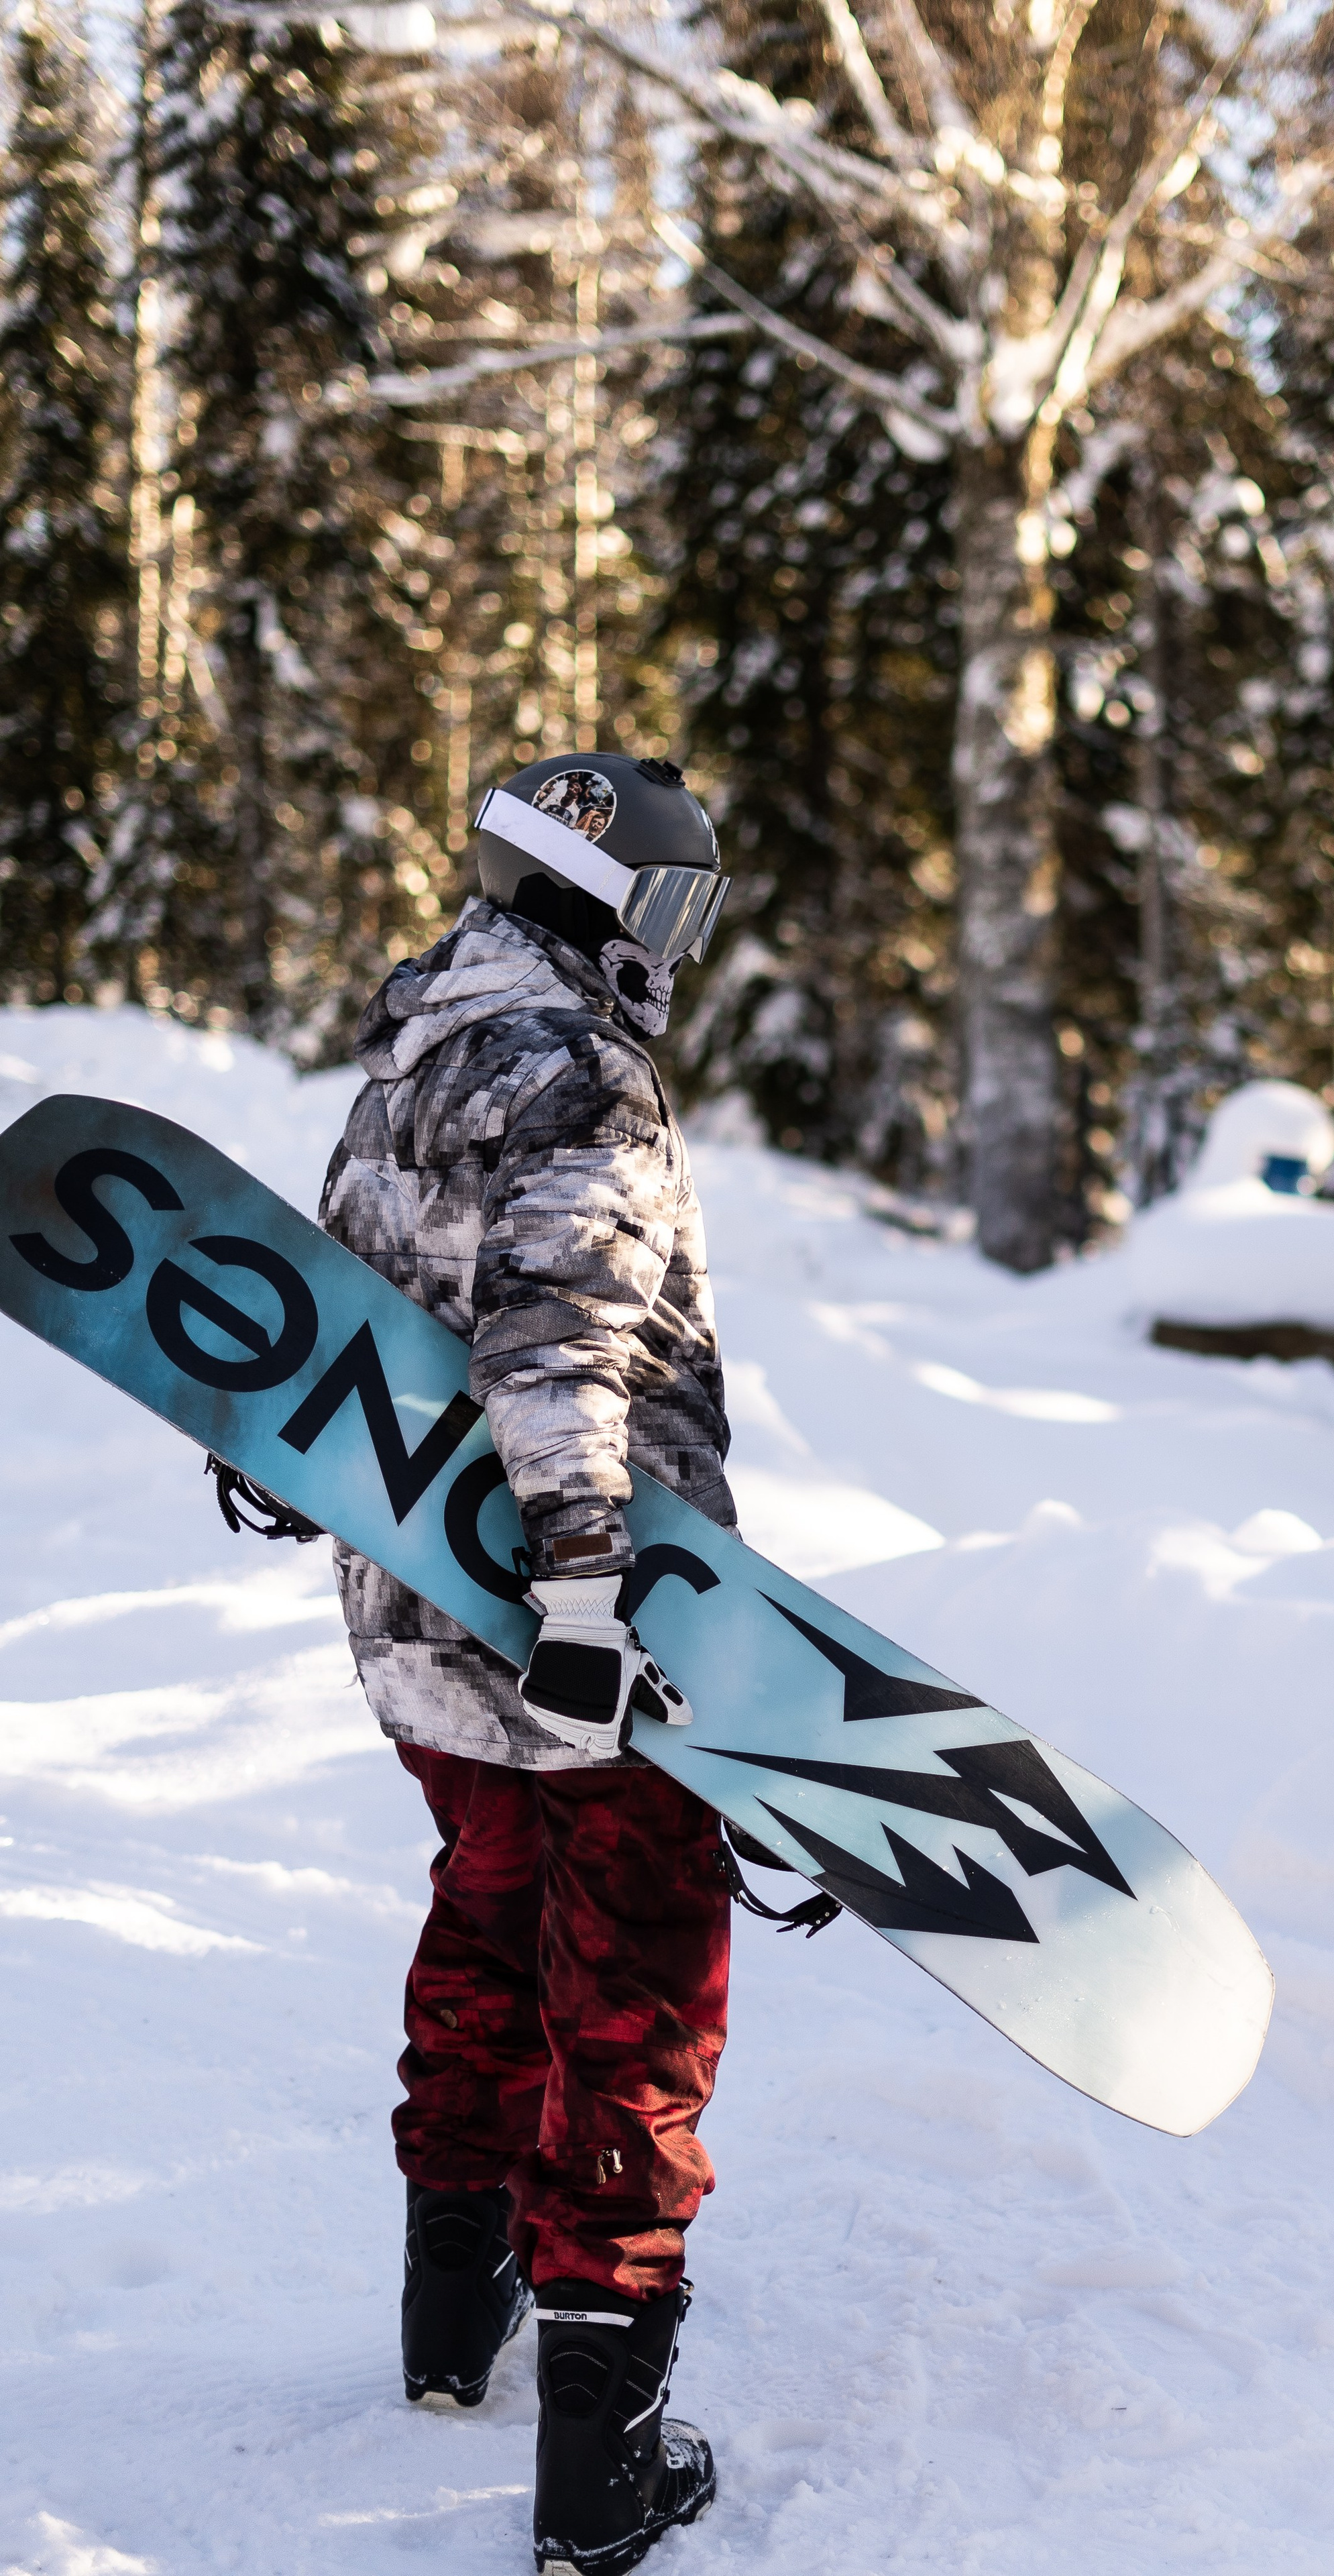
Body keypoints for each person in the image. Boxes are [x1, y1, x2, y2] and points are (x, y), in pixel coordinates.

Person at [317, 751, 736, 2575]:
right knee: (634, 1980)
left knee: (487, 1917)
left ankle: (445, 2321)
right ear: (616, 900)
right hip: (572, 1618)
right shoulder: (585, 1074)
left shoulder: (416, 1040)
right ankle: (604, 2453)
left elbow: (332, 1293)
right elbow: (561, 1345)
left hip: (416, 1616)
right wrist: (585, 1592)